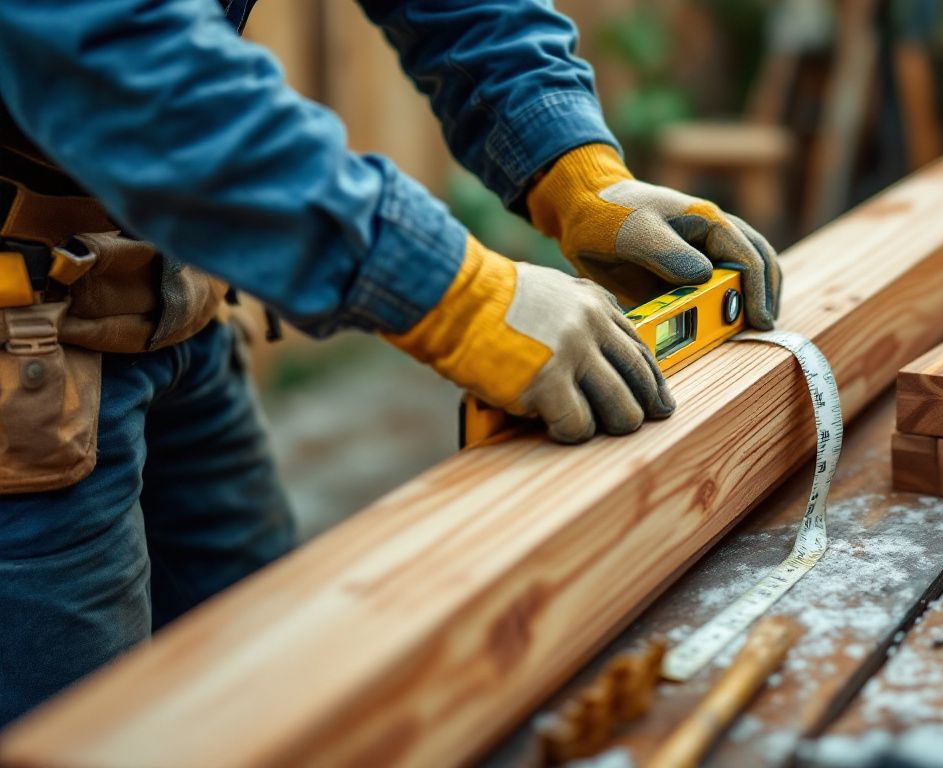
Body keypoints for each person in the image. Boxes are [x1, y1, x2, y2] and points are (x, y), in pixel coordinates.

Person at [0, 0, 781, 726]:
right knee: (94, 732)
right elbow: (127, 65)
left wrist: (575, 169)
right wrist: (456, 293)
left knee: (269, 694)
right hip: (22, 360)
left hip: (171, 295)